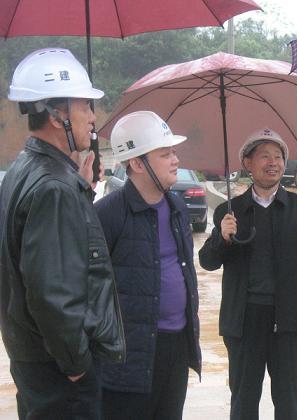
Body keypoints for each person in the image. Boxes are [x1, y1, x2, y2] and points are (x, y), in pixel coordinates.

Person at [0, 48, 125, 419]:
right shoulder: (54, 188)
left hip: (34, 357)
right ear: (56, 116)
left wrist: (79, 187)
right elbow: (52, 293)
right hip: (60, 369)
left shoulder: (24, 169)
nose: (93, 117)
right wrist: (76, 364)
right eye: (85, 105)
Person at [199, 128, 297, 420]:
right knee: (243, 400)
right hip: (244, 321)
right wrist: (223, 237)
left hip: (290, 322)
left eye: (278, 157)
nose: (273, 163)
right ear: (247, 163)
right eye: (264, 156)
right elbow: (207, 262)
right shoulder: (230, 212)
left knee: (288, 400)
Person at [95, 111, 201, 420]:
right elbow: (89, 290)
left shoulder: (177, 207)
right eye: (165, 154)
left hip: (176, 346)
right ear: (138, 164)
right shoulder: (108, 214)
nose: (175, 160)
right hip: (129, 356)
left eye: (174, 152)